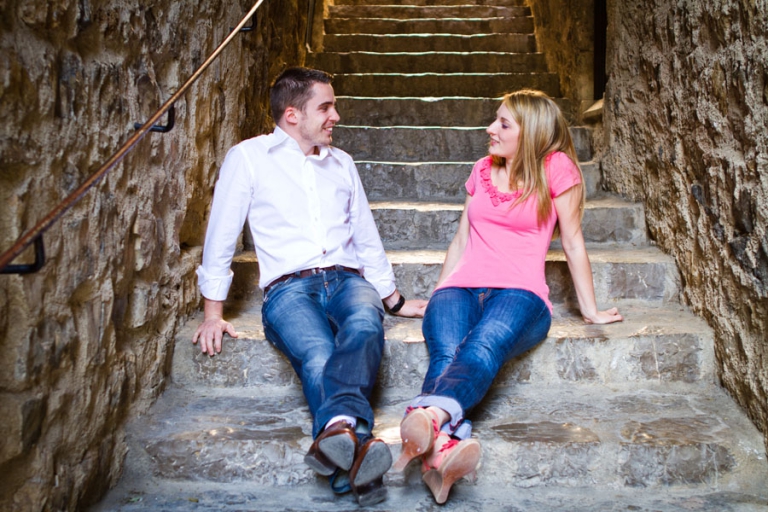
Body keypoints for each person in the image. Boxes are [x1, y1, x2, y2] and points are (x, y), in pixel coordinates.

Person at [191, 67, 427, 505]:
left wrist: (393, 300)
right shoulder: (248, 157)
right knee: (318, 352)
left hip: (347, 279)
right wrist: (212, 313)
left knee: (363, 326)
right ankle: (359, 451)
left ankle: (338, 437)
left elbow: (366, 236)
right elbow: (221, 235)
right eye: (326, 107)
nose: (336, 115)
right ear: (292, 114)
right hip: (288, 290)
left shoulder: (343, 164)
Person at [392, 89, 624, 503]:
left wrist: (589, 309)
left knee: (481, 345)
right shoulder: (482, 168)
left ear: (530, 131)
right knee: (446, 353)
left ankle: (425, 417)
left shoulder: (558, 169)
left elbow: (572, 241)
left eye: (502, 123)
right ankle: (439, 458)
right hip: (461, 288)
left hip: (521, 295)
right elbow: (462, 237)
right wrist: (439, 292)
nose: (490, 129)